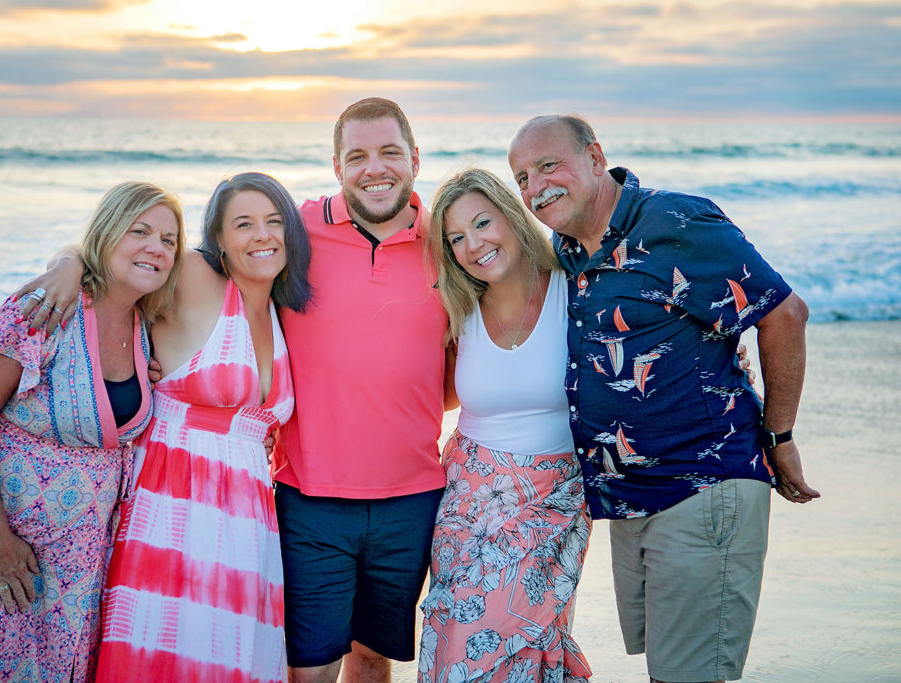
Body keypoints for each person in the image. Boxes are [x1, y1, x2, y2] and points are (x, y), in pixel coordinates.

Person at [507, 114, 819, 683]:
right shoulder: (570, 249)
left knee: (690, 675)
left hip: (703, 487)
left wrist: (781, 435)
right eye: (522, 177)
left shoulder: (677, 221)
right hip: (632, 502)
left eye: (549, 165)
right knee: (671, 671)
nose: (535, 186)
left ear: (595, 157)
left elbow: (783, 313)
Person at [0, 181, 185, 683]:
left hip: (81, 560)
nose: (157, 246)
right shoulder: (44, 310)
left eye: (170, 239)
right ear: (107, 234)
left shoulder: (146, 326)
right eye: (140, 231)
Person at [19, 172, 313, 681]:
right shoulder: (198, 276)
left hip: (249, 526)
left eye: (273, 221)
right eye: (243, 224)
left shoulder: (284, 309)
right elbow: (120, 255)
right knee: (168, 655)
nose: (262, 235)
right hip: (175, 510)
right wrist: (68, 264)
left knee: (235, 660)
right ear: (217, 239)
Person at [270, 97, 450, 682]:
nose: (376, 168)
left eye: (390, 152)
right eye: (358, 156)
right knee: (311, 667)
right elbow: (198, 266)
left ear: (415, 159)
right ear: (337, 166)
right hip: (310, 494)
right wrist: (73, 264)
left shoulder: (450, 241)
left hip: (413, 496)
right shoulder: (294, 230)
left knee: (373, 659)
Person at [419, 168, 592, 682]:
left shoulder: (578, 291)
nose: (473, 244)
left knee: (526, 643)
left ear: (513, 217)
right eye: (456, 238)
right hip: (467, 501)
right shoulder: (458, 307)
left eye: (482, 223)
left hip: (554, 499)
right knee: (456, 639)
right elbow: (429, 389)